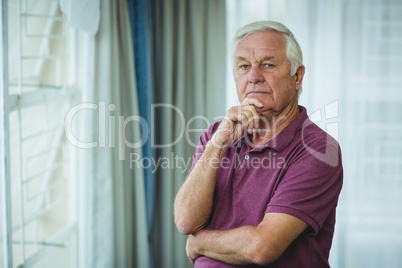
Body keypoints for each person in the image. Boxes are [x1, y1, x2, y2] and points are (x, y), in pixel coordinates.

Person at [174, 21, 343, 267]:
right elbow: (186, 222)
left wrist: (198, 244)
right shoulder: (216, 134)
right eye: (244, 66)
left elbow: (262, 247)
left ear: (297, 77)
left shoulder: (318, 149)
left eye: (268, 64)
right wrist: (217, 145)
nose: (254, 77)